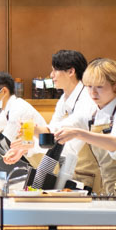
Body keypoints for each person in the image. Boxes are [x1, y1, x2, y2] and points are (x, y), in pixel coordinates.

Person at [57, 59, 116, 194]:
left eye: (99, 87)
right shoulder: (91, 112)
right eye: (89, 87)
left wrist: (79, 133)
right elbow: (60, 128)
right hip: (102, 188)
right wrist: (36, 131)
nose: (93, 93)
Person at [44, 48, 97, 187]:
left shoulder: (88, 96)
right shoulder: (63, 99)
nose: (51, 75)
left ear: (71, 71)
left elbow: (73, 123)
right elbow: (53, 127)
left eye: (55, 70)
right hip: (69, 169)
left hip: (89, 173)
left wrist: (41, 131)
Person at [0, 71, 47, 168]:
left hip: (43, 159)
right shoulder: (8, 110)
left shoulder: (18, 108)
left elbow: (5, 143)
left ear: (3, 91)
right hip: (32, 157)